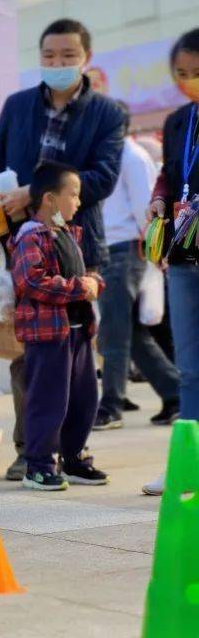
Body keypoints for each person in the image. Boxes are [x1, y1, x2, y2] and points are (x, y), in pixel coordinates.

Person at [0, 18, 126, 481]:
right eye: (49, 56)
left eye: (68, 56)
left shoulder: (108, 113)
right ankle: (32, 452)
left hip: (79, 245)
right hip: (26, 245)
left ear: (85, 57)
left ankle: (71, 450)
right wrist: (2, 199)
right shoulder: (18, 105)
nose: (58, 64)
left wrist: (37, 191)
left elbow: (103, 178)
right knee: (32, 356)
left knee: (81, 361)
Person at [11, 161, 107, 491]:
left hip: (77, 331)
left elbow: (81, 274)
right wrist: (81, 287)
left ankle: (74, 459)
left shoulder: (66, 233)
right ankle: (38, 465)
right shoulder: (31, 237)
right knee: (49, 400)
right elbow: (31, 281)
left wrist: (93, 282)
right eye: (74, 194)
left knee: (84, 399)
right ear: (50, 198)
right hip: (49, 334)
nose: (78, 202)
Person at [94, 100, 180, 431]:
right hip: (110, 250)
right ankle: (175, 394)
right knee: (130, 330)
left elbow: (149, 209)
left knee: (114, 331)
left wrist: (153, 253)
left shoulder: (132, 157)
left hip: (126, 249)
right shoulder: (109, 156)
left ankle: (111, 405)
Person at [143, 27, 199, 496]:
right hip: (182, 254)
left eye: (197, 73)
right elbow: (168, 174)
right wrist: (160, 201)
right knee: (189, 366)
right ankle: (187, 463)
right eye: (181, 74)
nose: (189, 82)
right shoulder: (179, 120)